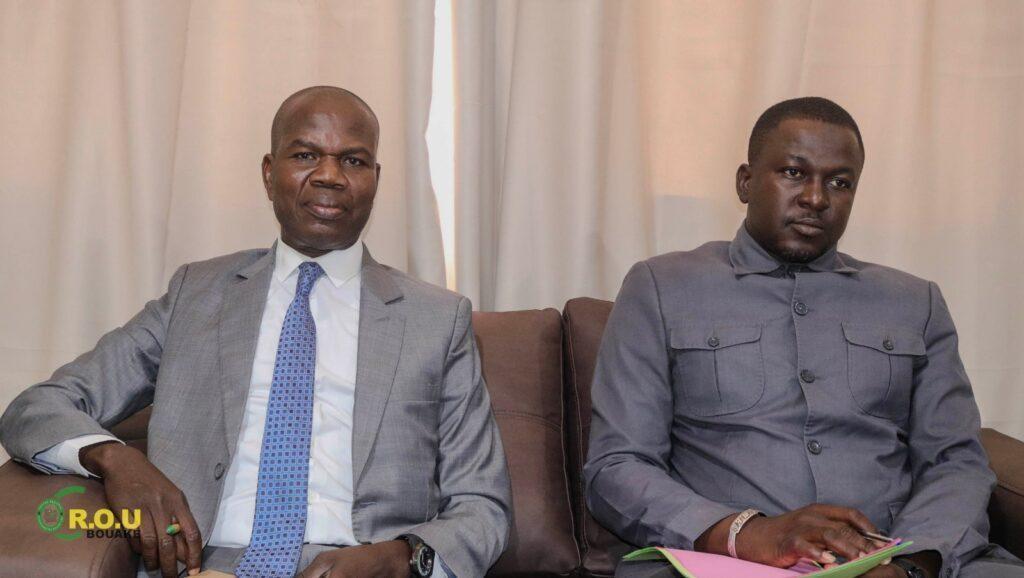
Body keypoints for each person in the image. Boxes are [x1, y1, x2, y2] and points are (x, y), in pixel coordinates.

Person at [0, 86, 511, 578]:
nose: (329, 176)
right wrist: (115, 459)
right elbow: (38, 406)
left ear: (375, 179)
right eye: (305, 155)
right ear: (269, 174)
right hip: (202, 564)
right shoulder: (195, 295)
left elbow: (483, 506)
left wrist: (398, 559)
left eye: (353, 161)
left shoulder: (436, 320)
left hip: (358, 565)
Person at [584, 97, 1024, 578]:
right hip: (725, 562)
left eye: (839, 182)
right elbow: (617, 465)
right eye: (794, 173)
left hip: (892, 558)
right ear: (745, 182)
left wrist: (910, 563)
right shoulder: (662, 287)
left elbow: (956, 462)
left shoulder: (915, 302)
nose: (816, 198)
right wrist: (747, 534)